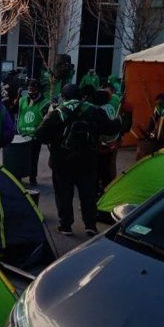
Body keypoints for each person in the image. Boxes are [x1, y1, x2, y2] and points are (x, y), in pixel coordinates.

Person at [36, 83, 122, 237]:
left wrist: (55, 137)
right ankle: (90, 225)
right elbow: (111, 129)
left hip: (62, 162)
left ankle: (66, 226)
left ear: (63, 97)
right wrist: (120, 119)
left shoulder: (58, 112)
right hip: (87, 161)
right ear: (81, 96)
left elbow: (41, 135)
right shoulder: (94, 111)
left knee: (63, 195)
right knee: (88, 195)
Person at [92, 87, 132, 195]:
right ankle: (108, 185)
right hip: (110, 139)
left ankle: (107, 186)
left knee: (105, 165)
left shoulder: (98, 109)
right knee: (108, 164)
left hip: (107, 141)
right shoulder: (112, 101)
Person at [16, 79, 50, 185]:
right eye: (29, 89)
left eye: (34, 90)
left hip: (35, 136)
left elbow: (47, 119)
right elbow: (14, 109)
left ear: (38, 90)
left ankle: (32, 177)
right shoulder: (22, 100)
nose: (31, 92)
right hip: (22, 134)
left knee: (33, 158)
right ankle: (18, 176)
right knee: (20, 157)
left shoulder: (45, 103)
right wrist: (17, 95)